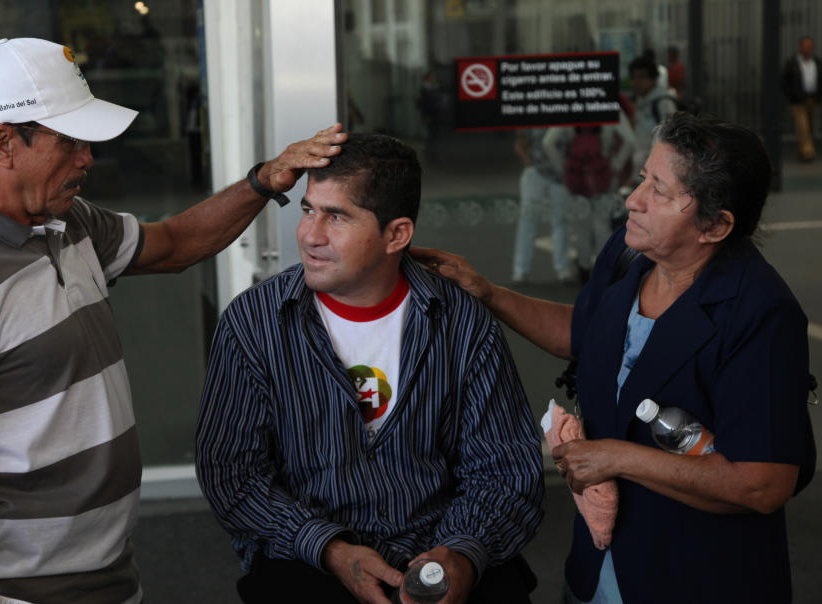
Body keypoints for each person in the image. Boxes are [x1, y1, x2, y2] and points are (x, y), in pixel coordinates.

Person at [0, 37, 345, 604]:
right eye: (69, 140)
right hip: (14, 591)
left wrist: (264, 181)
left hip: (106, 574)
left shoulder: (63, 221)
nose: (87, 158)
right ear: (3, 143)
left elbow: (174, 243)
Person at [411, 112, 815, 603]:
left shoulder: (759, 315)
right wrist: (489, 293)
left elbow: (762, 484)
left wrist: (617, 457)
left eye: (660, 192)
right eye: (643, 177)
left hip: (698, 575)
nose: (633, 199)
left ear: (715, 225)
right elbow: (586, 333)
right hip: (601, 564)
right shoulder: (631, 257)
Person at [195, 133, 544, 604]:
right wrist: (330, 549)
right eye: (307, 209)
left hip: (439, 543)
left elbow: (506, 470)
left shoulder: (460, 320)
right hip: (307, 555)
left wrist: (461, 553)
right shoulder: (255, 323)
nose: (309, 234)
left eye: (336, 216)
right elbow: (231, 475)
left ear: (396, 234)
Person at [543, 113, 634, 283]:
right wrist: (615, 165)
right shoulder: (610, 108)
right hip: (604, 177)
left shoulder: (572, 107)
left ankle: (584, 270)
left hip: (578, 177)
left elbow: (548, 143)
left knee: (581, 227)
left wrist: (565, 167)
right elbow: (630, 140)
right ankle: (605, 271)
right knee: (602, 225)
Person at [511, 128, 574, 284]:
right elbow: (520, 142)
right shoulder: (537, 110)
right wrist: (529, 163)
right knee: (528, 220)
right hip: (536, 173)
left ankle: (562, 269)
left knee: (561, 221)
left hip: (560, 176)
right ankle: (520, 269)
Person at [627, 56, 676, 182]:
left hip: (657, 176)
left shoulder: (663, 103)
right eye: (634, 76)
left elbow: (670, 141)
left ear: (653, 79)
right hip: (641, 173)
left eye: (642, 76)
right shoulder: (640, 103)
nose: (637, 81)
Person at [781, 36, 822, 161]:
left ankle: (802, 150)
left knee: (808, 126)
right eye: (805, 46)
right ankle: (808, 153)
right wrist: (791, 95)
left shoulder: (816, 62)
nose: (807, 49)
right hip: (798, 100)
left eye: (809, 46)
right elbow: (785, 81)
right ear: (800, 47)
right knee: (803, 125)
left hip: (813, 99)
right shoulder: (793, 63)